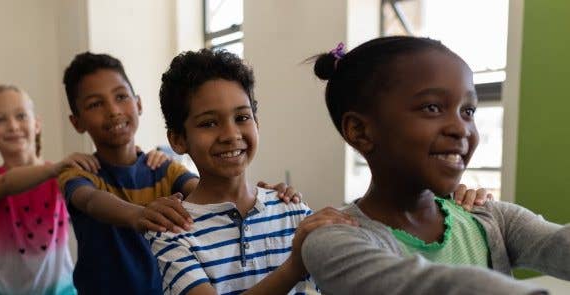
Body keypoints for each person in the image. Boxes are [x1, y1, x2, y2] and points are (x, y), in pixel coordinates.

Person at [301, 36, 570, 295]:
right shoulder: (332, 241)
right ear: (360, 131)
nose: (460, 129)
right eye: (432, 107)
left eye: (468, 111)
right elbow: (419, 286)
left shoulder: (491, 218)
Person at [57, 52, 301, 294]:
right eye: (95, 104)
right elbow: (90, 200)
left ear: (138, 103)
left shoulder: (161, 166)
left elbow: (205, 188)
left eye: (121, 96)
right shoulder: (79, 170)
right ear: (76, 121)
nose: (113, 110)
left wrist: (264, 199)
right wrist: (139, 215)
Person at [145, 48, 360, 295]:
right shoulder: (171, 229)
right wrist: (294, 267)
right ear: (178, 139)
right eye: (209, 123)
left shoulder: (292, 210)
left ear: (256, 123)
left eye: (242, 117)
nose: (230, 135)